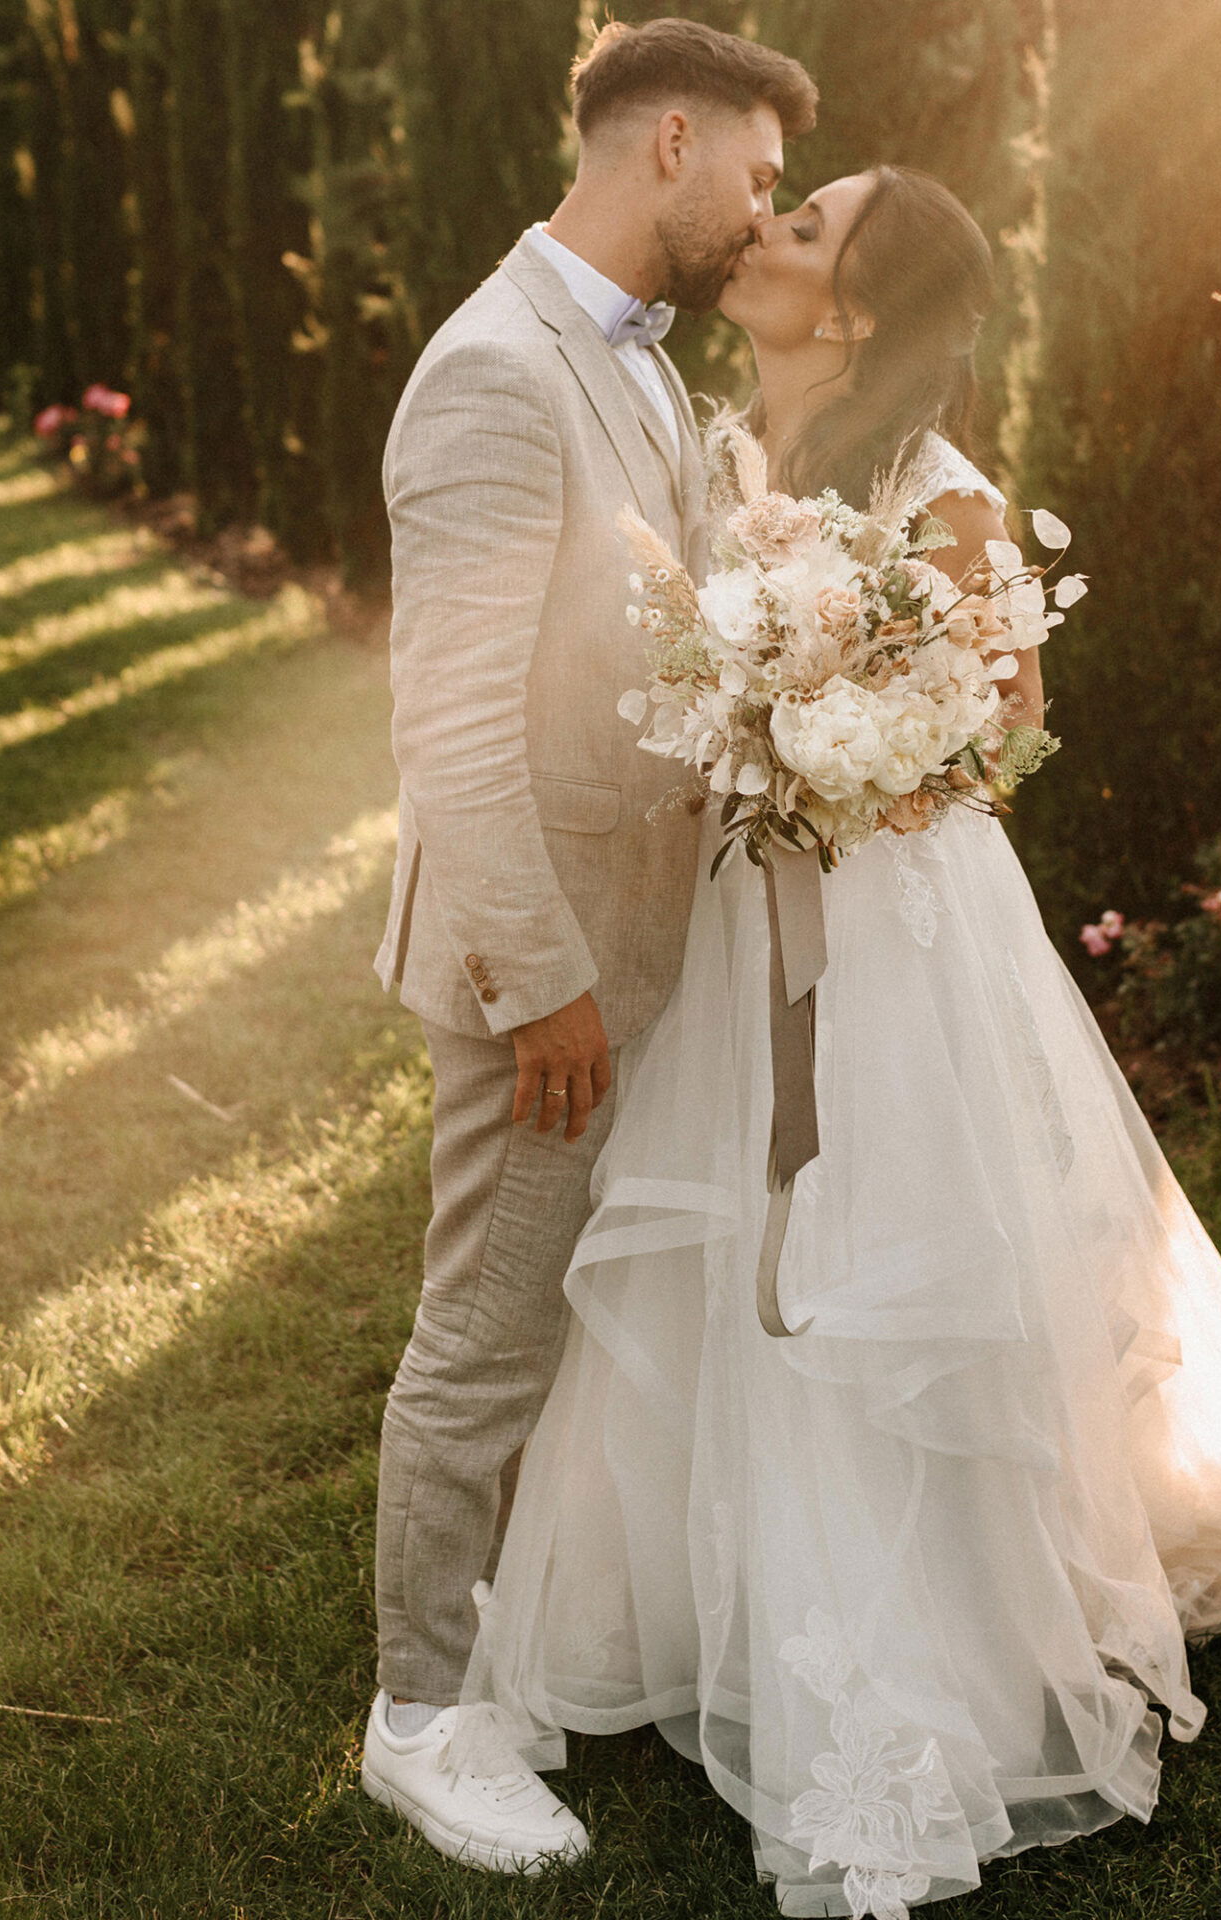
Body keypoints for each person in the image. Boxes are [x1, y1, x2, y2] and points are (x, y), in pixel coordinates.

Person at [440, 163, 1221, 1918]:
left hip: (903, 932)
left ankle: (920, 1653)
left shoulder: (946, 497)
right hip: (740, 904)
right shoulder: (714, 452)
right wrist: (746, 727)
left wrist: (831, 744)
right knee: (733, 1233)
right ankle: (696, 1595)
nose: (763, 230)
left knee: (889, 1263)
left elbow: (1002, 738)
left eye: (806, 227)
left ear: (851, 310)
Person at [359, 16, 818, 1875]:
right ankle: (419, 1710)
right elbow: (452, 732)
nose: (767, 216)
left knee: (571, 1322)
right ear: (674, 143)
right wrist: (544, 979)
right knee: (485, 1328)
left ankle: (540, 1639)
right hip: (537, 963)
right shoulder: (491, 374)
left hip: (647, 937)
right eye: (762, 182)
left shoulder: (618, 352)